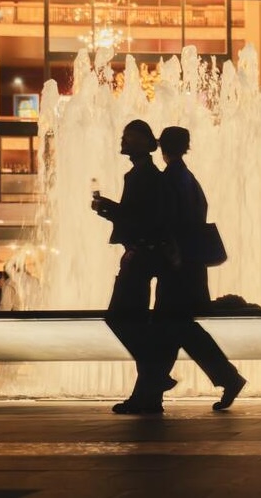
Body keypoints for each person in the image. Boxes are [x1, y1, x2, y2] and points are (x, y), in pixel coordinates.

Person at [153, 126, 247, 411]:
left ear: (161, 146)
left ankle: (225, 377)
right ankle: (156, 383)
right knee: (174, 325)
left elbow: (170, 223)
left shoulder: (172, 178)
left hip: (180, 266)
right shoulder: (186, 177)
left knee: (174, 324)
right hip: (189, 266)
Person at [92, 119, 173, 414]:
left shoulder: (144, 175)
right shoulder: (142, 174)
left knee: (120, 318)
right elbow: (135, 215)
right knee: (137, 323)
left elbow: (140, 219)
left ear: (142, 141)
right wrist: (110, 210)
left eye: (129, 137)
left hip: (140, 256)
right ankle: (148, 396)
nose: (123, 141)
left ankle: (155, 377)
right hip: (142, 253)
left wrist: (109, 209)